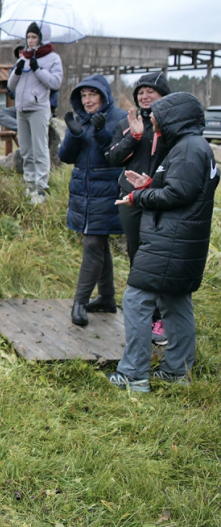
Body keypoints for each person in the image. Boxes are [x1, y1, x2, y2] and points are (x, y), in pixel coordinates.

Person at [109, 92, 219, 392]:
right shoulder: (193, 146)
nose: (154, 125)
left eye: (157, 119)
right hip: (183, 241)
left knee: (136, 300)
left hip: (170, 241)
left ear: (175, 119)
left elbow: (178, 194)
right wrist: (150, 184)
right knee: (175, 302)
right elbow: (188, 189)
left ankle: (134, 374)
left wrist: (139, 196)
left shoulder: (188, 149)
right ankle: (177, 372)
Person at [105, 71, 171, 344]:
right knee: (138, 257)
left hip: (162, 197)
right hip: (131, 198)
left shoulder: (171, 124)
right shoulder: (127, 122)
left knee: (161, 257)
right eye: (140, 92)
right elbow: (113, 158)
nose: (144, 96)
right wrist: (134, 136)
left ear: (163, 95)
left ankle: (163, 316)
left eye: (150, 92)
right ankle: (146, 314)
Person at [58, 75, 127, 327]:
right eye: (83, 95)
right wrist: (74, 135)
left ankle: (79, 302)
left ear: (103, 95)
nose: (87, 101)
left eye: (92, 95)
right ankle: (107, 298)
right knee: (99, 243)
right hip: (83, 191)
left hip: (107, 190)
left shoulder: (120, 118)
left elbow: (117, 155)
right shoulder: (81, 119)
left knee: (92, 244)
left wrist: (101, 132)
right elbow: (65, 157)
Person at [7, 22, 63, 204]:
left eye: (34, 37)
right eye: (28, 37)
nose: (30, 40)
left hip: (38, 109)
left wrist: (37, 69)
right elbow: (10, 86)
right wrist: (17, 71)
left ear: (41, 38)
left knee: (40, 149)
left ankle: (41, 188)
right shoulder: (23, 58)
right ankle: (29, 185)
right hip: (21, 109)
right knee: (25, 150)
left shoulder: (53, 58)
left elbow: (55, 83)